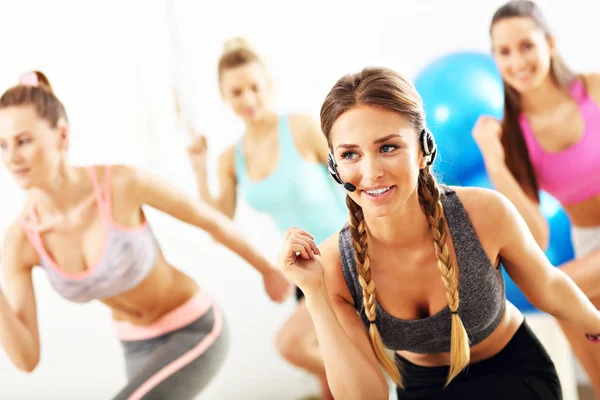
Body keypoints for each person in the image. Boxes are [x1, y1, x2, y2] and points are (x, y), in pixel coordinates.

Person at [276, 66, 600, 399]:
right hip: (422, 388)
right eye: (350, 154)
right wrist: (316, 295)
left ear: (423, 149)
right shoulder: (336, 265)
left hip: (514, 375)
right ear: (334, 166)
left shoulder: (485, 212)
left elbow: (547, 285)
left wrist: (597, 325)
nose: (371, 172)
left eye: (388, 147)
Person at [0, 70, 292, 399]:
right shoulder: (20, 242)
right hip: (134, 346)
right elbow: (27, 359)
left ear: (62, 136)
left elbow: (207, 219)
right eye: (3, 145)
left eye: (23, 141)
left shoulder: (121, 184)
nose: (12, 158)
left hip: (192, 326)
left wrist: (266, 268)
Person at [177, 38, 348, 399]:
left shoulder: (302, 128)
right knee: (328, 387)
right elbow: (218, 224)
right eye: (237, 92)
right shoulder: (229, 158)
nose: (248, 99)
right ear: (225, 96)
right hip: (303, 269)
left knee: (291, 344)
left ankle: (377, 379)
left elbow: (353, 185)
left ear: (269, 84)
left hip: (344, 257)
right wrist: (198, 168)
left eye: (255, 87)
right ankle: (365, 377)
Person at [472, 0, 600, 395]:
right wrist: (494, 159)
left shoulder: (593, 88)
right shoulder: (511, 136)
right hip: (589, 242)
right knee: (558, 293)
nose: (517, 61)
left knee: (558, 289)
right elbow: (538, 237)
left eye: (526, 45)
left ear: (550, 43)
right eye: (504, 52)